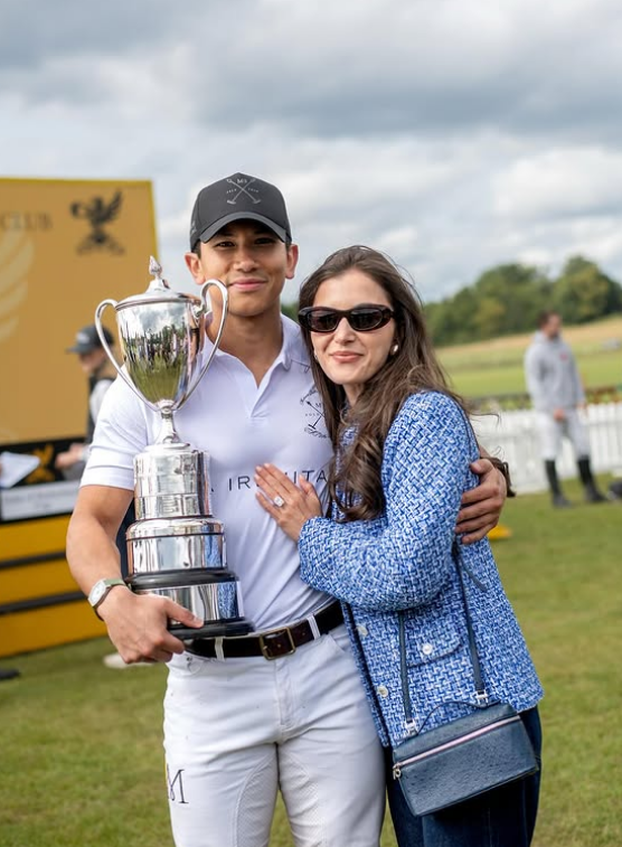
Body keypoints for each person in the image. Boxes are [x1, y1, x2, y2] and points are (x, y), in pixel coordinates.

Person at [66, 173, 509, 847]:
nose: (245, 259)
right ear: (196, 266)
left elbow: (426, 432)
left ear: (289, 259)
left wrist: (491, 476)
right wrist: (110, 596)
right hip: (210, 677)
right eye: (225, 246)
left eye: (262, 242)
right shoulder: (154, 370)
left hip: (331, 662)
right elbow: (92, 520)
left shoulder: (331, 348)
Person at [255, 245, 544, 847]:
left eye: (365, 318)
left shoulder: (421, 415)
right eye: (323, 320)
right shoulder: (352, 424)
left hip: (467, 717)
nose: (342, 334)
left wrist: (311, 533)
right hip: (412, 725)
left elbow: (408, 573)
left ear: (398, 328)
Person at [57, 324, 137, 669]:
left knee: (121, 553)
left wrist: (77, 455)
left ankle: (134, 627)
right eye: (81, 355)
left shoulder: (107, 388)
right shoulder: (109, 385)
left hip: (121, 488)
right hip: (125, 485)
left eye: (89, 353)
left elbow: (113, 448)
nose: (84, 360)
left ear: (105, 352)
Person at [524, 310, 606, 507]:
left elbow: (574, 375)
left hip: (570, 408)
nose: (558, 327)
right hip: (550, 413)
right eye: (554, 324)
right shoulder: (535, 352)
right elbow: (534, 384)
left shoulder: (564, 347)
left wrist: (580, 398)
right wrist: (551, 408)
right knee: (551, 451)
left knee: (583, 447)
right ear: (544, 325)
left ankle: (591, 490)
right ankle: (557, 496)